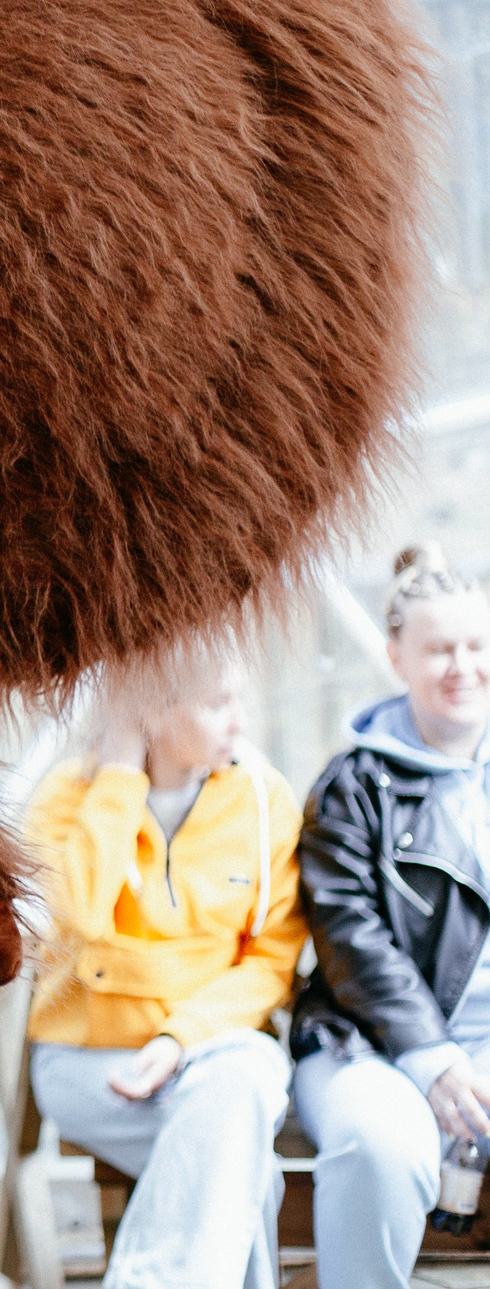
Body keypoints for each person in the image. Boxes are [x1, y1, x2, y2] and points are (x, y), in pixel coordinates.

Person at [23, 660, 306, 1289]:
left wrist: (179, 1038)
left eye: (240, 697)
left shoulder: (264, 802)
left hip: (210, 1055)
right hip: (90, 1065)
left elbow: (271, 962)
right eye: (216, 702)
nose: (241, 721)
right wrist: (120, 778)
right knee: (245, 1150)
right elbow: (71, 921)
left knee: (244, 1093)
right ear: (148, 709)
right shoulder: (67, 799)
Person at [294, 543, 490, 1287]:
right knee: (380, 1144)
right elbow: (349, 933)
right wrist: (435, 1056)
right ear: (396, 656)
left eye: (476, 645)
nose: (462, 666)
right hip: (368, 1045)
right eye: (439, 649)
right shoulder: (353, 784)